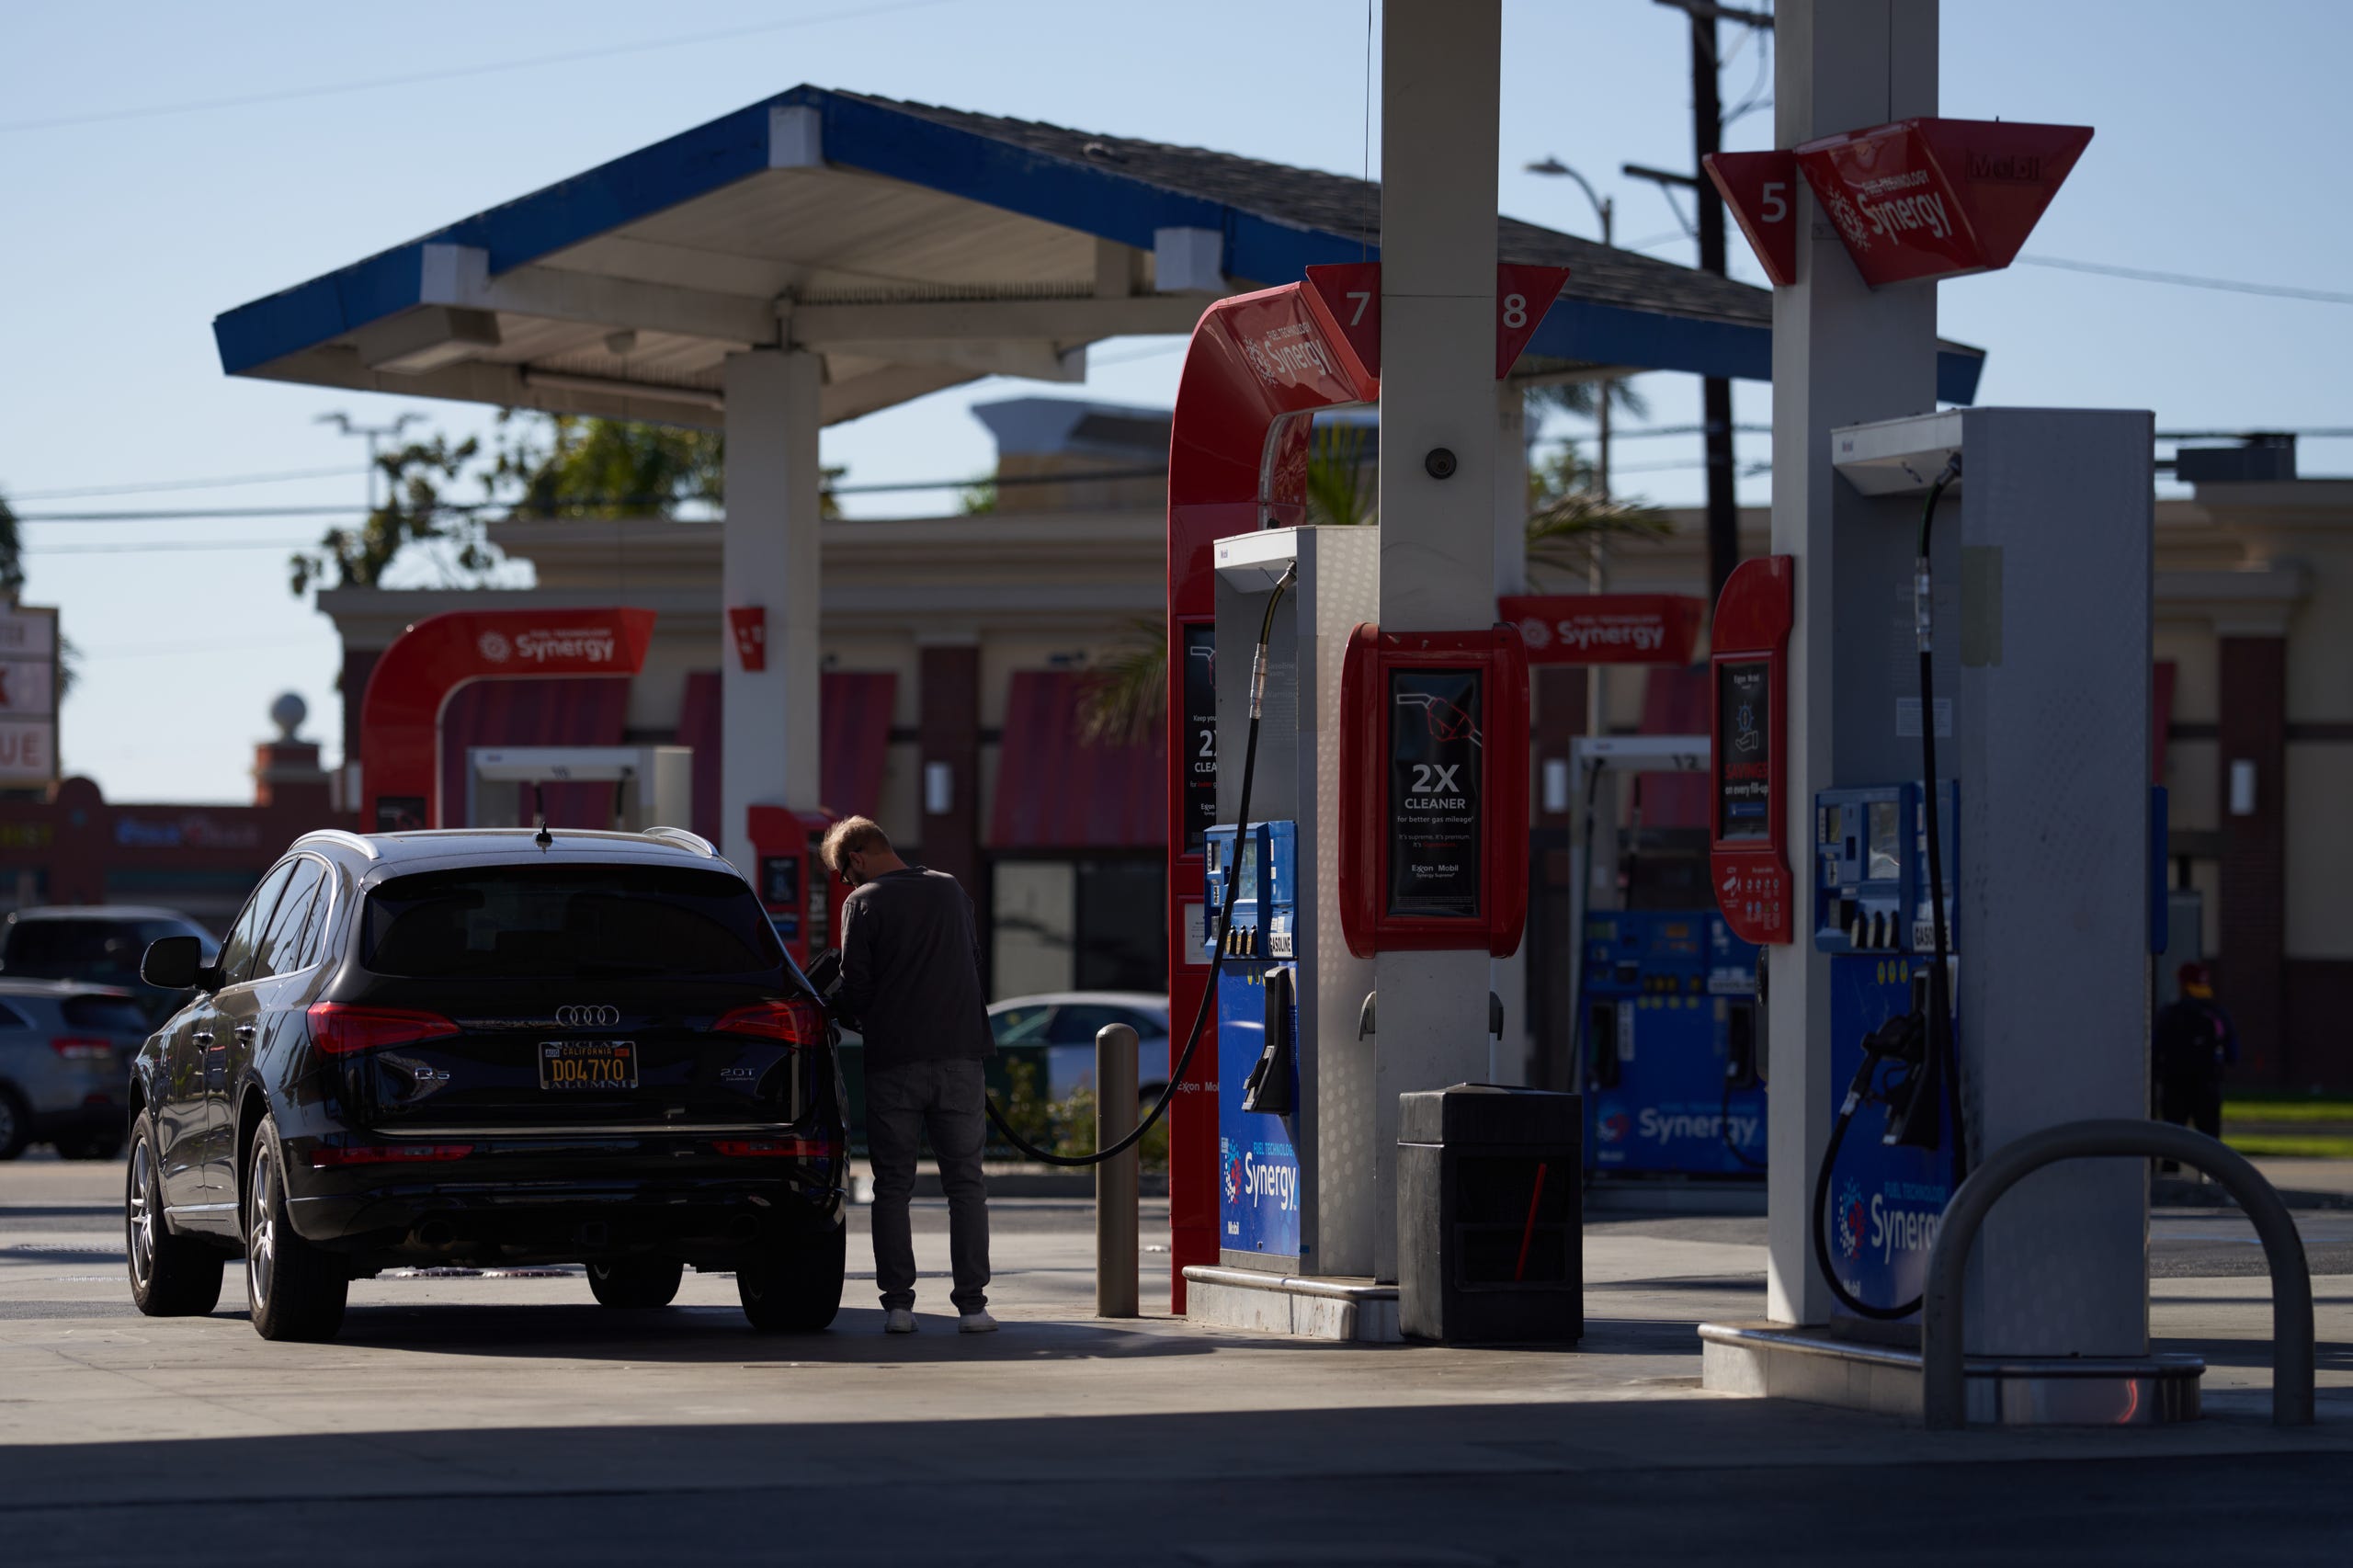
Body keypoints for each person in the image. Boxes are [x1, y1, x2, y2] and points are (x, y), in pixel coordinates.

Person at [824, 815, 996, 1335]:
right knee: (966, 1184)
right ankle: (973, 1307)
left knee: (893, 1186)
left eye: (843, 874)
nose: (847, 886)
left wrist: (836, 1011)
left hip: (895, 1061)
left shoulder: (864, 902)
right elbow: (972, 961)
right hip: (962, 1058)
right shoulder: (951, 890)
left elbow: (857, 988)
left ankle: (899, 1305)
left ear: (856, 857)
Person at [2153, 960, 2238, 1149]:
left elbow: (2154, 1048)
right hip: (2208, 1085)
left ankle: (2169, 1174)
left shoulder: (2169, 1013)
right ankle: (2212, 1177)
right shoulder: (2217, 1013)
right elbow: (2232, 1054)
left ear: (2183, 984)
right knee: (2211, 1144)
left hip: (2174, 1085)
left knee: (2171, 1143)